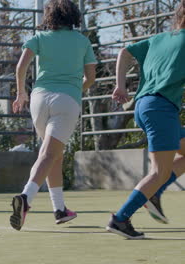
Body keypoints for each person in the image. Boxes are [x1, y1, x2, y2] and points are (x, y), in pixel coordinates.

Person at [9, 0, 97, 230]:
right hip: (66, 100)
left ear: (50, 17)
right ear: (73, 17)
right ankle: (25, 198)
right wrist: (76, 89)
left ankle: (60, 209)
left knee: (53, 155)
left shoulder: (40, 38)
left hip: (38, 100)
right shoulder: (82, 41)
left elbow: (21, 67)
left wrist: (21, 93)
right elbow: (91, 78)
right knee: (49, 154)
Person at [106, 0, 185, 239]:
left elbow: (124, 52)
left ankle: (154, 193)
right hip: (161, 109)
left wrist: (120, 85)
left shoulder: (160, 38)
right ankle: (120, 219)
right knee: (158, 172)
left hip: (144, 106)